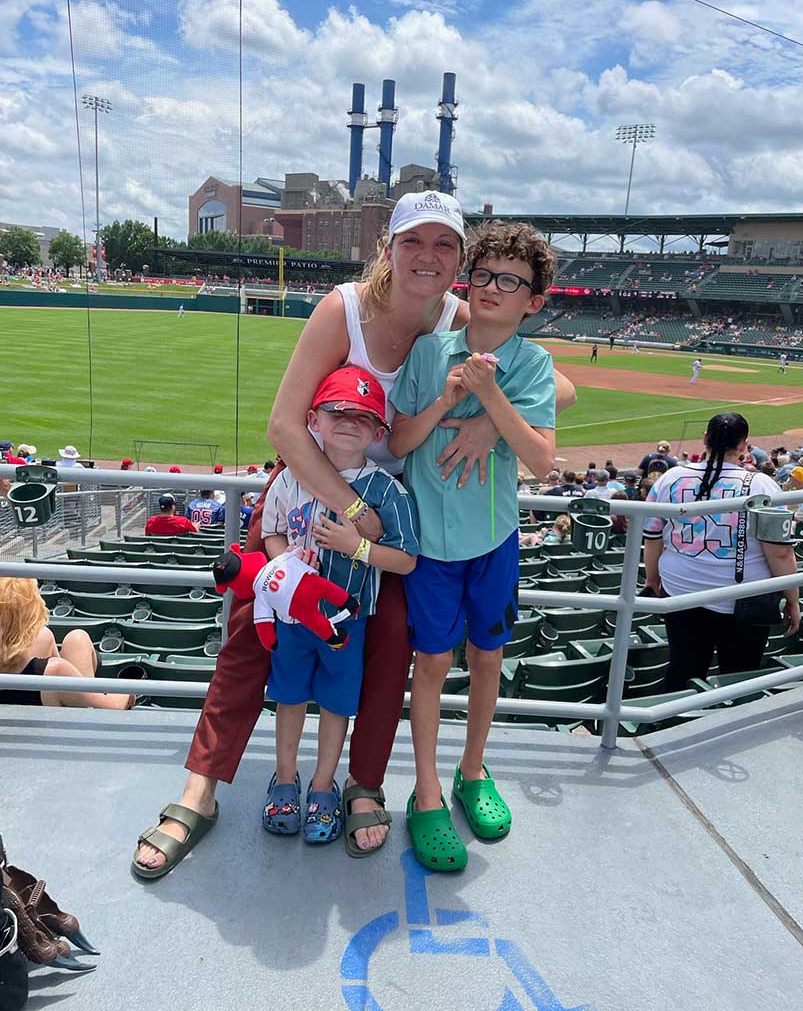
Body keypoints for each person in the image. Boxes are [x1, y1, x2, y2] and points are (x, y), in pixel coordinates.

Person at [132, 190, 576, 876]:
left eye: (444, 245)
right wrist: (348, 510)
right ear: (389, 248)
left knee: (393, 637)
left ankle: (363, 785)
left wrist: (491, 419)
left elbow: (560, 386)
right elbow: (284, 426)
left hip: (394, 520)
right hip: (311, 495)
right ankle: (203, 788)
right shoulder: (343, 309)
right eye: (413, 241)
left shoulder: (458, 314)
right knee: (255, 625)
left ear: (458, 259)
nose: (427, 256)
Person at [389, 219, 556, 871]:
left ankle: (473, 769)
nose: (491, 288)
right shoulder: (432, 353)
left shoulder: (533, 363)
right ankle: (426, 791)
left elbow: (542, 461)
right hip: (432, 546)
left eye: (509, 281)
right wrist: (448, 396)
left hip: (494, 541)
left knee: (488, 659)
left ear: (532, 301)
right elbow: (401, 443)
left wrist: (491, 407)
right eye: (483, 275)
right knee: (430, 667)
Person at [259, 367, 418, 845]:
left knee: (334, 704)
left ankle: (324, 784)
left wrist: (358, 548)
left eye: (363, 417)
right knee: (288, 697)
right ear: (314, 419)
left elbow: (407, 560)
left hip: (347, 621)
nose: (349, 422)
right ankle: (285, 776)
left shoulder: (387, 491)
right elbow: (271, 531)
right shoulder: (290, 477)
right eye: (337, 411)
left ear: (378, 432)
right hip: (291, 615)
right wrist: (285, 559)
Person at [642, 412, 800, 691]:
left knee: (683, 669)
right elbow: (781, 554)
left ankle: (673, 727)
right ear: (744, 446)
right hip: (742, 600)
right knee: (739, 676)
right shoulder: (762, 485)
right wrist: (792, 599)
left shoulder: (671, 478)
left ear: (705, 439)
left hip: (680, 593)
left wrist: (652, 580)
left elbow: (652, 538)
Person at [0, 578, 134, 709]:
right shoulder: (55, 671)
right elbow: (111, 706)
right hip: (68, 725)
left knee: (70, 639)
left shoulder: (44, 640)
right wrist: (128, 689)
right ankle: (81, 694)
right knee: (76, 639)